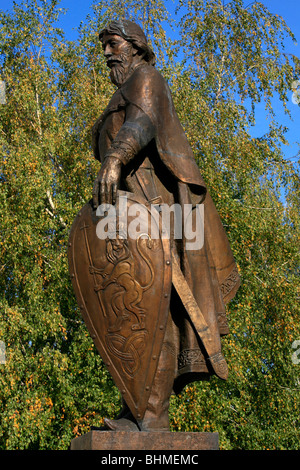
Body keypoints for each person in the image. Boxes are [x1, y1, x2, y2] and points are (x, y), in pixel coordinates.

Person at [91, 19, 240, 431]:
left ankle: (153, 414)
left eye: (113, 44)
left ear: (136, 46)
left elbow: (144, 124)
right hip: (133, 225)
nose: (107, 53)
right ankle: (140, 408)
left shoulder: (147, 78)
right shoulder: (121, 91)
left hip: (162, 219)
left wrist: (116, 157)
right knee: (134, 314)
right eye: (103, 46)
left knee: (156, 311)